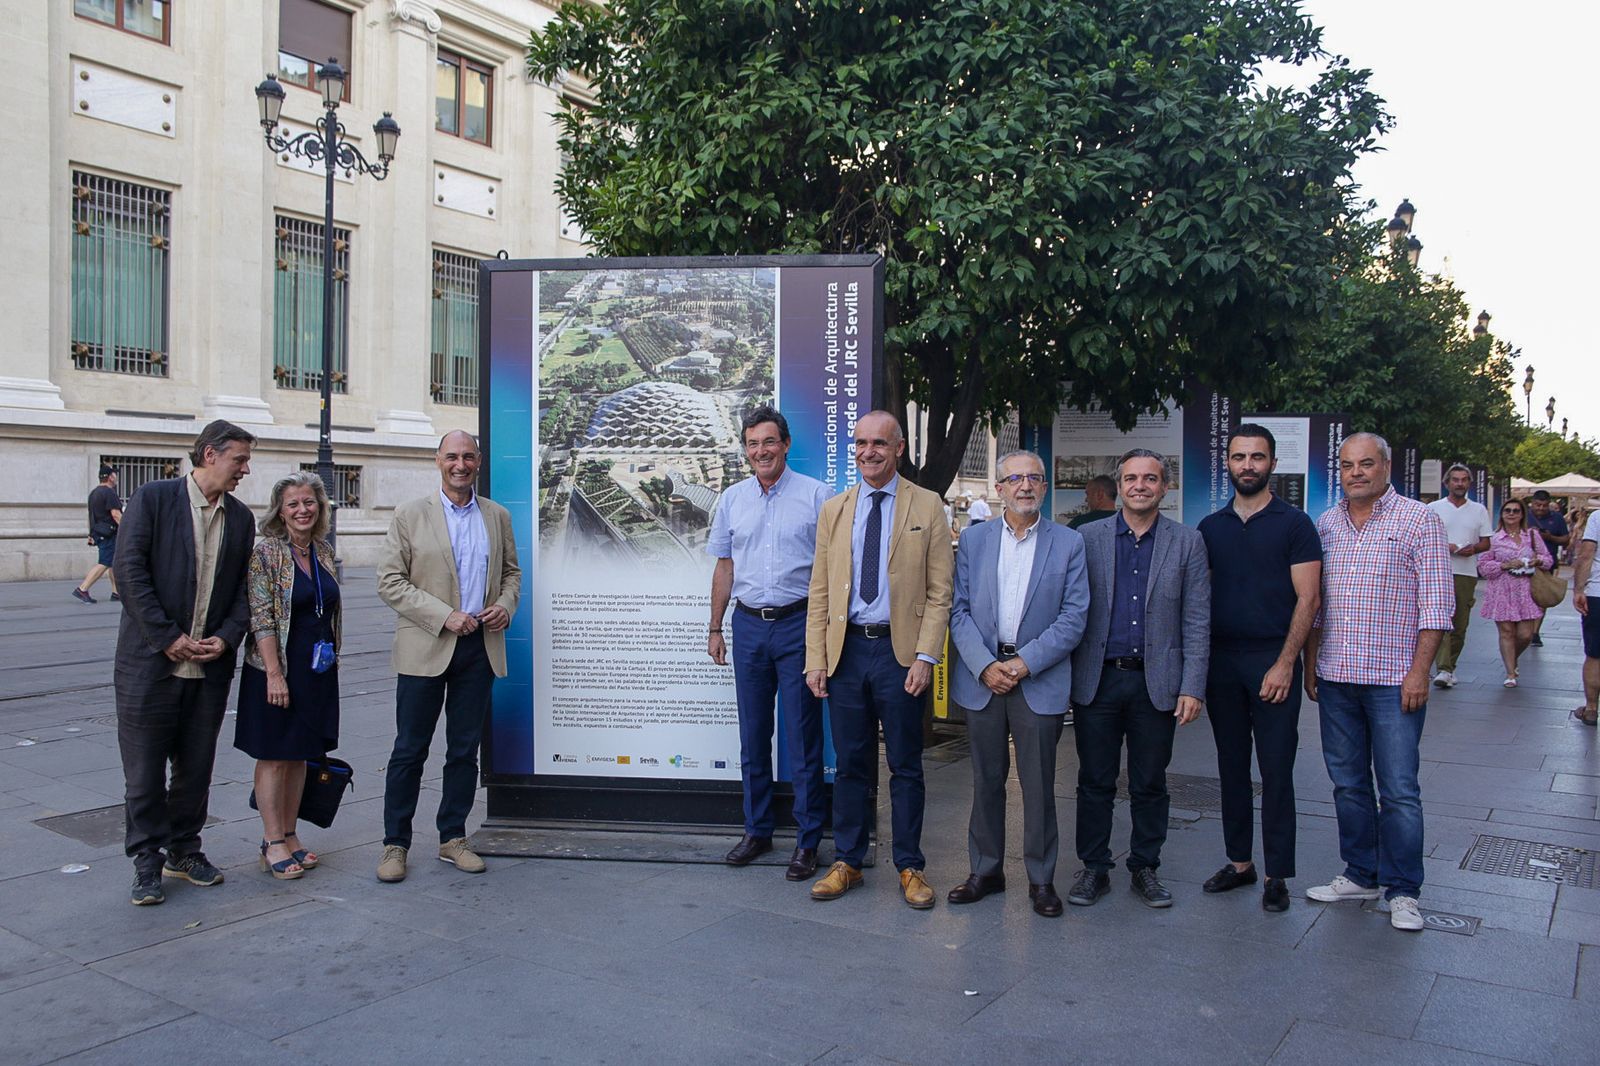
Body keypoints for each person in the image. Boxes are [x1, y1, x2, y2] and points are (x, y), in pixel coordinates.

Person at [1304, 433, 1452, 932]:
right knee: (1348, 785)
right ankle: (1360, 872)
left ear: (1386, 466)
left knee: (1399, 789)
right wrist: (1310, 664)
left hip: (1394, 681)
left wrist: (1419, 672)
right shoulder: (1326, 525)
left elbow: (1437, 604)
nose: (1357, 473)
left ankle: (1404, 889)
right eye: (1347, 465)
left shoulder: (1419, 520)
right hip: (1338, 677)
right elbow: (1315, 605)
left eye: (1366, 464)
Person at [804, 411, 953, 909]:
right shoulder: (835, 509)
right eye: (861, 443)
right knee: (850, 764)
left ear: (899, 448)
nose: (868, 452)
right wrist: (816, 659)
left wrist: (925, 657)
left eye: (879, 444)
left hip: (900, 654)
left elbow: (940, 592)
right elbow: (820, 590)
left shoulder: (927, 505)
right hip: (846, 655)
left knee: (906, 765)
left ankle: (910, 866)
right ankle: (847, 861)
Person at [113, 420, 256, 906]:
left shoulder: (240, 518)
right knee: (145, 771)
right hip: (149, 664)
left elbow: (242, 590)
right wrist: (167, 637)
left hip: (209, 667)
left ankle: (184, 850)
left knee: (196, 768)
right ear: (211, 455)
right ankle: (146, 860)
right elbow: (128, 572)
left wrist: (228, 638)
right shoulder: (154, 498)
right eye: (239, 459)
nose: (245, 469)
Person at [376, 431, 522, 883]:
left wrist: (505, 604)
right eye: (452, 457)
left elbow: (512, 574)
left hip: (478, 649)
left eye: (468, 457)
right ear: (438, 461)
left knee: (463, 751)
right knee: (409, 751)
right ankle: (395, 844)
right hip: (426, 648)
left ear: (479, 462)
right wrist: (445, 616)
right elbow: (389, 581)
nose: (460, 464)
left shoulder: (496, 515)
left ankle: (452, 837)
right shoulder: (409, 514)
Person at [947, 450, 1088, 917]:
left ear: (1043, 487)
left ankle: (1041, 878)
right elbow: (959, 610)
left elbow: (1073, 618)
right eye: (1015, 479)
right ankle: (985, 870)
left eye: (1034, 478)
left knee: (1039, 784)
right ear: (1000, 489)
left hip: (1037, 679)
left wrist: (1023, 664)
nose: (1025, 486)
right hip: (984, 677)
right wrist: (985, 665)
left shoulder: (1068, 544)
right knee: (986, 780)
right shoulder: (974, 541)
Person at [1067, 448, 1210, 909]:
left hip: (1158, 683)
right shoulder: (1087, 538)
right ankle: (1094, 867)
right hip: (1098, 680)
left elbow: (1197, 619)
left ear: (1164, 487)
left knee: (1150, 781)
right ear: (1120, 485)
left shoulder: (1187, 542)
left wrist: (1192, 685)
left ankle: (1146, 866)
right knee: (1095, 781)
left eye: (1150, 478)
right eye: (1131, 478)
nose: (1140, 486)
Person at [1197, 425, 1322, 913]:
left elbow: (1309, 599)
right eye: (1238, 457)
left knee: (1276, 770)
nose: (1247, 465)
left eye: (1257, 457)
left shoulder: (1295, 525)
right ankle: (1239, 864)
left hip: (1274, 661)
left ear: (1272, 463)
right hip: (1222, 663)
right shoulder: (1211, 528)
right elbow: (1199, 601)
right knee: (1230, 767)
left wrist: (1287, 663)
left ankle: (1277, 875)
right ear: (1227, 463)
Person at [706, 405, 832, 879]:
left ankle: (807, 841)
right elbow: (724, 567)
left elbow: (829, 572)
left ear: (786, 445)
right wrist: (715, 627)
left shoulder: (817, 497)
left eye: (769, 442)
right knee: (753, 736)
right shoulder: (733, 499)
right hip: (749, 628)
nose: (761, 451)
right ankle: (757, 831)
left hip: (799, 627)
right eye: (753, 444)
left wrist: (821, 636)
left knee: (803, 740)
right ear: (746, 449)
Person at [236, 472, 342, 879]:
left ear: (320, 508)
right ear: (280, 511)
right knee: (275, 755)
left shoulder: (322, 551)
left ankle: (291, 833)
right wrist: (274, 675)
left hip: (317, 669)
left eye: (309, 502)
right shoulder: (266, 554)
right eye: (293, 504)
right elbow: (262, 619)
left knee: (300, 755)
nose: (303, 510)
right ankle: (271, 840)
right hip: (277, 668)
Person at [1477, 498, 1554, 688]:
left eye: (1516, 511)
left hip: (1526, 590)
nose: (1511, 514)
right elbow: (1483, 566)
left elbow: (1548, 559)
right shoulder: (1494, 539)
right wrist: (1504, 565)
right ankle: (1510, 673)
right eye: (1507, 511)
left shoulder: (1532, 536)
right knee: (1507, 632)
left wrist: (1537, 561)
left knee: (1525, 635)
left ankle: (1513, 657)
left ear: (1522, 514)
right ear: (1502, 515)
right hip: (1502, 589)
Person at [1427, 464, 1490, 688]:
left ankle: (1449, 666)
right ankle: (1442, 669)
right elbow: (1425, 538)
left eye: (1464, 480)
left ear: (1469, 484)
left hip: (1465, 572)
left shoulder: (1479, 510)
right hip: (1438, 571)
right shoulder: (1434, 508)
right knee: (1438, 619)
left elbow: (1486, 542)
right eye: (1455, 479)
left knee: (1459, 624)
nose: (1460, 483)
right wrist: (1448, 546)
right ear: (1447, 483)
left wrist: (1472, 549)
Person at [1527, 490, 1570, 647]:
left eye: (1544, 506)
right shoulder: (1523, 515)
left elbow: (1566, 540)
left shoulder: (1556, 518)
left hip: (1546, 565)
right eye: (1538, 505)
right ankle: (1525, 629)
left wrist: (1549, 537)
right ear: (1532, 502)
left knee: (1541, 598)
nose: (1541, 508)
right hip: (1524, 563)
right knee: (1525, 597)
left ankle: (1535, 632)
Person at [75, 464, 122, 604]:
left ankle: (116, 592)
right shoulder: (109, 492)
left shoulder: (94, 493)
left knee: (112, 563)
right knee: (104, 563)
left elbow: (92, 515)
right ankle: (82, 589)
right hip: (109, 533)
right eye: (115, 474)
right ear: (110, 477)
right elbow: (116, 514)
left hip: (99, 532)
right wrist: (127, 527)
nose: (116, 477)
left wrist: (91, 534)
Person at [1574, 510, 1599, 725]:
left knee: (1594, 654)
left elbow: (1587, 554)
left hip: (1598, 594)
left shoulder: (1598, 517)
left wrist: (1578, 589)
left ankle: (1591, 708)